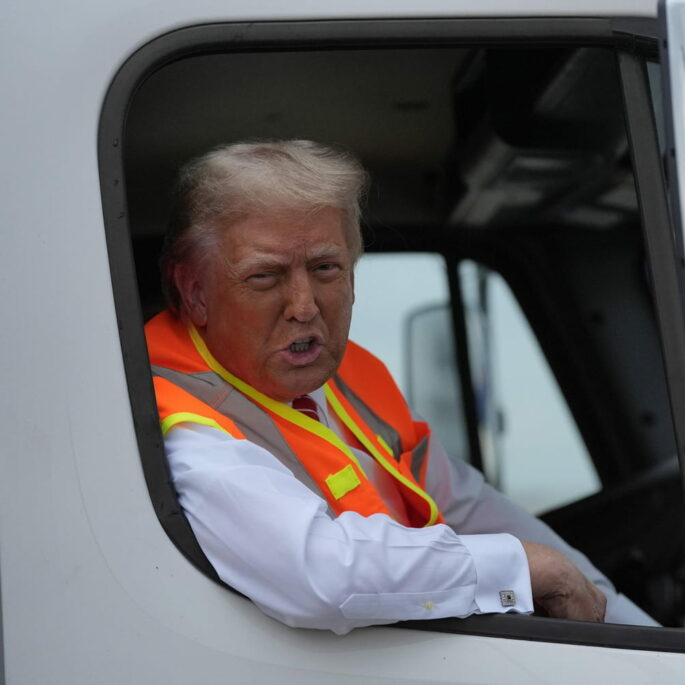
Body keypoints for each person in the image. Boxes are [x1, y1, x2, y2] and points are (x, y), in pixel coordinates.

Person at [147, 139, 655, 634]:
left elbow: (464, 502)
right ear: (194, 292)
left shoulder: (345, 379)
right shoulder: (178, 421)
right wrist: (518, 567)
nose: (304, 305)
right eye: (265, 277)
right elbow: (324, 577)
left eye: (326, 268)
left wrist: (636, 632)